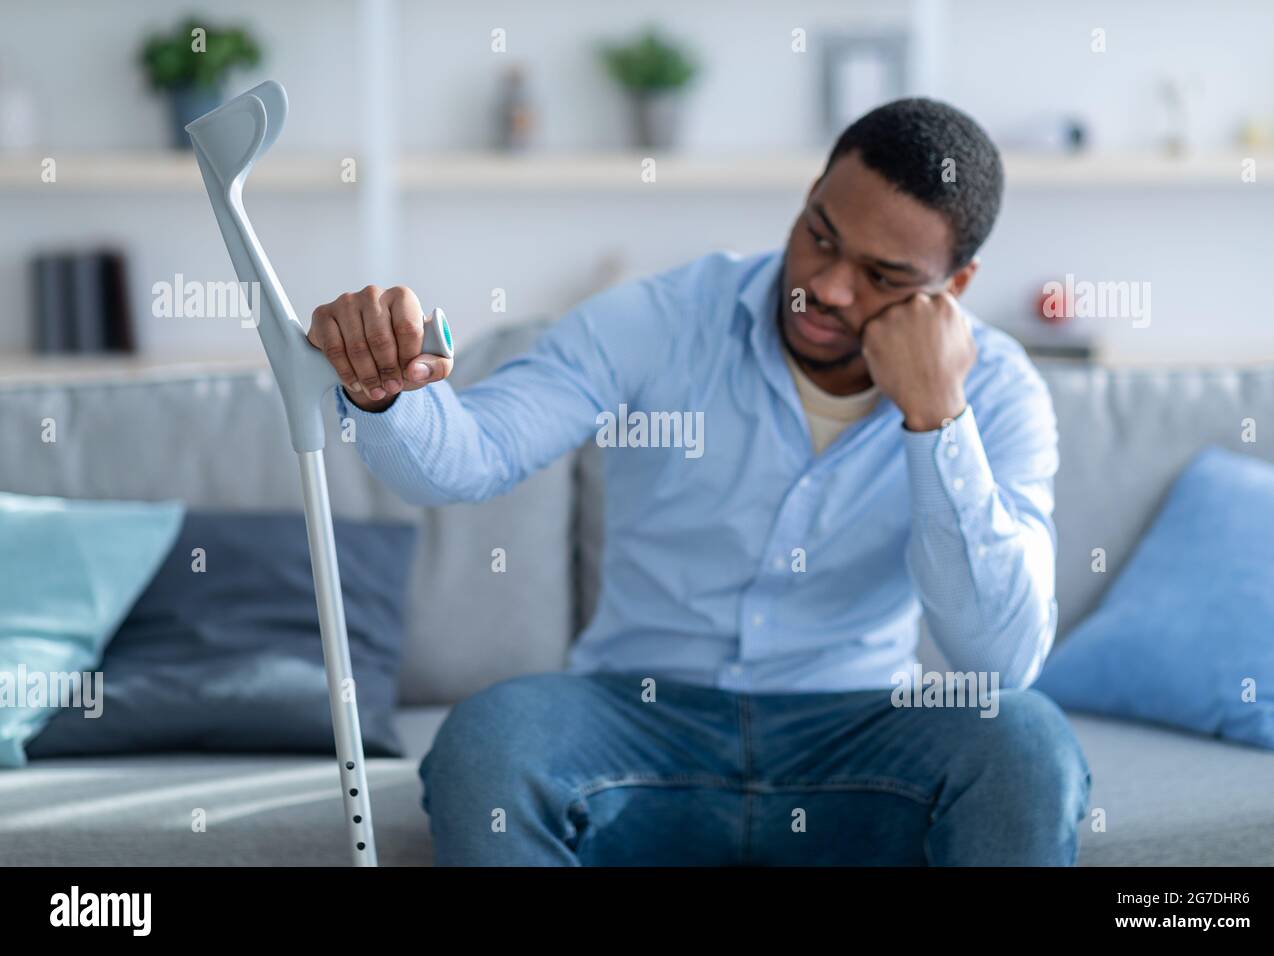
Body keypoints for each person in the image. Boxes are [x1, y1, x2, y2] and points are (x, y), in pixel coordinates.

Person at [307, 97, 1091, 866]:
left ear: (953, 287)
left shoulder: (998, 390)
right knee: (490, 739)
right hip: (637, 723)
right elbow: (472, 453)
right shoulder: (662, 319)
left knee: (1024, 741)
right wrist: (387, 390)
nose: (828, 287)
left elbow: (1002, 661)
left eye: (885, 275)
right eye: (821, 235)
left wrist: (936, 419)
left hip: (855, 738)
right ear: (810, 196)